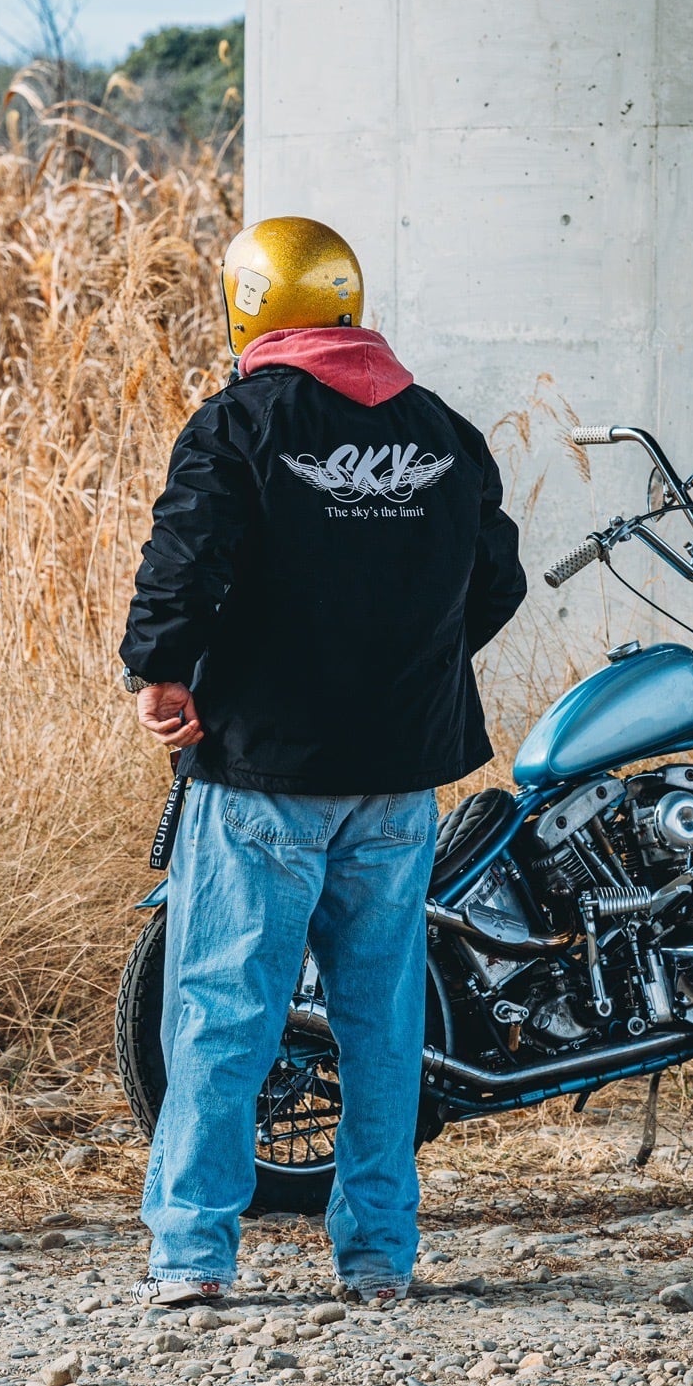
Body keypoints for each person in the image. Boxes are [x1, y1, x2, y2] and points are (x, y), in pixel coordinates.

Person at [118, 216, 528, 1308]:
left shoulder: (242, 420)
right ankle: (379, 1258)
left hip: (263, 773)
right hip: (398, 779)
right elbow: (495, 583)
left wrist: (162, 673)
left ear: (251, 305)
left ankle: (193, 1255)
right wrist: (403, 675)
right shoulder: (443, 430)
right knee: (384, 1022)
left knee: (223, 1013)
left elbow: (184, 560)